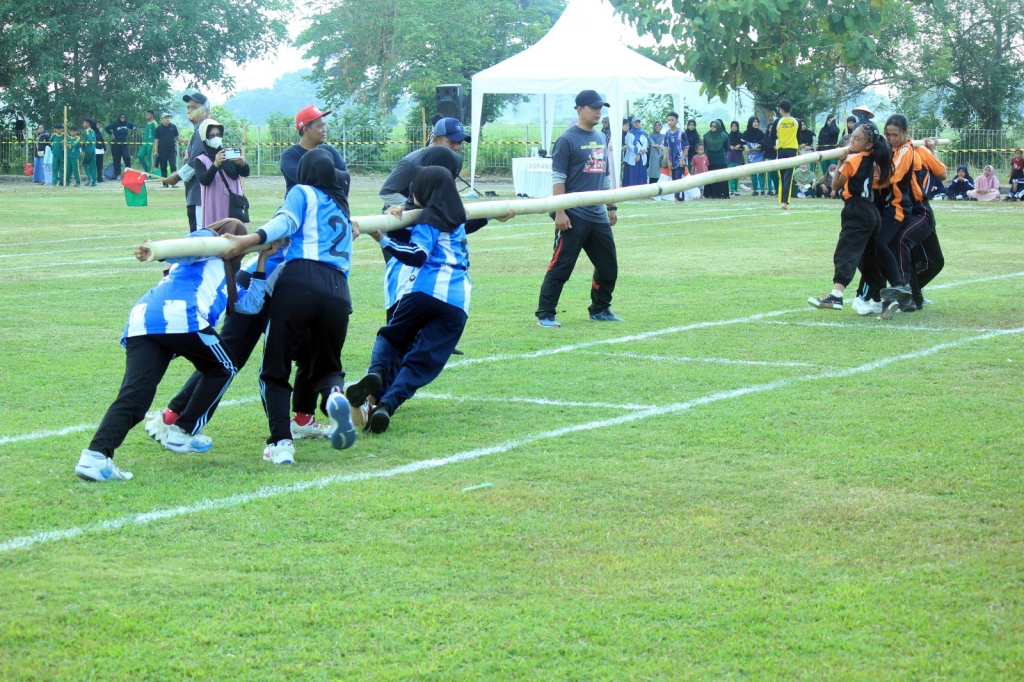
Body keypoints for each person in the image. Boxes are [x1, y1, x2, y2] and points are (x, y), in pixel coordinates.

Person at [73, 219, 270, 482]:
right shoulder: (210, 247)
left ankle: (95, 456)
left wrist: (262, 259)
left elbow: (252, 304)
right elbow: (189, 247)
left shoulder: (228, 274)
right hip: (179, 316)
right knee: (224, 367)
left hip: (144, 321)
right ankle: (182, 431)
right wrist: (157, 250)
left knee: (136, 395)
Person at [218, 148, 360, 464]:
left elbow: (286, 221)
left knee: (275, 367)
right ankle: (334, 396)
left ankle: (281, 443)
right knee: (327, 365)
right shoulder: (341, 205)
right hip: (339, 291)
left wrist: (249, 239)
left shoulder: (302, 192)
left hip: (300, 281)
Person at [353, 168, 474, 433]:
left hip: (425, 291)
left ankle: (376, 372)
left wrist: (381, 238)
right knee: (421, 362)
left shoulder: (430, 216)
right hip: (458, 301)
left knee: (391, 337)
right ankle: (386, 406)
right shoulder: (458, 214)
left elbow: (417, 254)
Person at [535, 90, 619, 328]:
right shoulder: (567, 139)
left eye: (600, 107)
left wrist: (611, 205)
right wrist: (560, 211)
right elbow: (558, 177)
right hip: (573, 215)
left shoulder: (601, 137)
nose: (598, 112)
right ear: (580, 109)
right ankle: (545, 315)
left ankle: (600, 310)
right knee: (562, 266)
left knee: (608, 266)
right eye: (594, 107)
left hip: (597, 214)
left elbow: (605, 175)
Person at [808, 123, 892, 311]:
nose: (852, 141)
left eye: (857, 139)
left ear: (868, 145)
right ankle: (885, 299)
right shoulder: (870, 157)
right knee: (867, 260)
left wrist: (841, 161)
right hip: (871, 210)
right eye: (852, 137)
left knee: (845, 251)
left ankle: (836, 295)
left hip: (857, 210)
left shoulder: (853, 159)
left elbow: (835, 185)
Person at [876, 114, 917, 313]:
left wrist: (867, 179)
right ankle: (901, 296)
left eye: (895, 135)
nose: (891, 139)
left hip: (898, 207)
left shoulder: (905, 150)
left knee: (879, 242)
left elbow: (892, 176)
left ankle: (899, 287)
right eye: (888, 135)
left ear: (906, 133)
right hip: (888, 207)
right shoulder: (891, 148)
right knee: (888, 249)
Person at [379, 117, 467, 209]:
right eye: (451, 142)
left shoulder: (452, 160)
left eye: (459, 143)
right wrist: (413, 207)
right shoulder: (411, 162)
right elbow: (386, 192)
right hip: (399, 213)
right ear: (435, 140)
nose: (457, 147)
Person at [163, 92, 211, 232]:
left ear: (206, 109)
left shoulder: (204, 130)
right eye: (188, 107)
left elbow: (196, 161)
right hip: (195, 192)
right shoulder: (199, 130)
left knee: (200, 236)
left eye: (194, 107)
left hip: (200, 194)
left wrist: (177, 176)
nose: (190, 110)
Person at [195, 120, 251, 227]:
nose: (215, 138)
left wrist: (243, 164)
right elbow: (204, 180)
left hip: (233, 201)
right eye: (211, 135)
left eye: (218, 134)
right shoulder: (201, 159)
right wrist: (215, 164)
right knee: (217, 231)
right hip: (215, 203)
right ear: (204, 137)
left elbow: (245, 173)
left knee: (235, 230)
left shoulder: (229, 154)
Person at [281, 105, 348, 194]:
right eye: (320, 126)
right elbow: (305, 181)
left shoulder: (330, 151)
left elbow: (344, 178)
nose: (324, 130)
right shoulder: (290, 155)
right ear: (306, 130)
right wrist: (331, 177)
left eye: (324, 126)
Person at [768, 99, 800, 209]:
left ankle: (782, 200)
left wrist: (780, 136)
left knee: (781, 176)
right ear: (790, 109)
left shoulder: (778, 122)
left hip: (781, 150)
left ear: (781, 110)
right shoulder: (797, 121)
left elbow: (771, 137)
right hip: (792, 150)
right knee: (788, 176)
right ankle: (785, 202)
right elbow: (798, 137)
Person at [701, 119, 729, 199]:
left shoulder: (724, 136)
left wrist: (720, 153)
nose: (712, 128)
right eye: (711, 126)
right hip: (710, 158)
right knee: (710, 176)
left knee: (721, 176)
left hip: (721, 159)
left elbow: (727, 147)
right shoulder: (706, 136)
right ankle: (710, 194)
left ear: (718, 127)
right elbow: (704, 146)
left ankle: (722, 193)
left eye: (714, 126)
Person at [664, 112, 688, 201]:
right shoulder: (667, 133)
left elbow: (686, 147)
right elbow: (666, 148)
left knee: (678, 178)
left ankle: (676, 198)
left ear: (677, 121)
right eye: (668, 120)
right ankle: (681, 199)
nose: (670, 122)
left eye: (672, 120)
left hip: (680, 160)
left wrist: (682, 159)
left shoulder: (681, 133)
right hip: (672, 160)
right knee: (674, 180)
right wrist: (668, 160)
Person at [104, 113, 135, 179]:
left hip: (124, 144)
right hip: (116, 144)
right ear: (119, 118)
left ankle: (128, 172)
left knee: (126, 157)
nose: (123, 118)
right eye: (121, 117)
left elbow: (133, 125)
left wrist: (134, 127)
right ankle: (117, 174)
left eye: (124, 117)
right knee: (116, 160)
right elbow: (106, 128)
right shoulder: (115, 124)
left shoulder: (127, 124)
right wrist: (111, 133)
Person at [623, 116, 649, 187]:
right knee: (631, 176)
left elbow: (645, 145)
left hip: (641, 158)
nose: (637, 124)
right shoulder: (628, 134)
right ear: (632, 123)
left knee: (640, 176)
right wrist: (639, 150)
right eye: (635, 122)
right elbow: (629, 145)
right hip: (631, 158)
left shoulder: (643, 134)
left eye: (638, 122)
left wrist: (639, 154)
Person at [743, 117, 765, 196]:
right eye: (754, 122)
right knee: (753, 172)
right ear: (750, 123)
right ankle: (755, 190)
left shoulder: (760, 133)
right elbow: (742, 141)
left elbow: (764, 142)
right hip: (751, 156)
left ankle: (762, 190)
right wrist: (745, 146)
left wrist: (758, 145)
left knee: (761, 172)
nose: (756, 123)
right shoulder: (746, 133)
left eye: (757, 122)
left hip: (760, 155)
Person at [153, 114, 181, 178]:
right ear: (161, 119)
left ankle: (174, 181)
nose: (167, 119)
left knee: (173, 165)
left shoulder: (173, 127)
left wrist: (184, 140)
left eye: (168, 118)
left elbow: (177, 137)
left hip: (171, 150)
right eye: (165, 118)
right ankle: (165, 182)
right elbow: (156, 140)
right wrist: (156, 151)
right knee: (163, 167)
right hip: (162, 151)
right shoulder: (158, 128)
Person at [726, 121, 745, 195]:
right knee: (730, 173)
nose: (734, 128)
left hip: (738, 155)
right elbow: (725, 144)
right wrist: (730, 146)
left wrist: (739, 145)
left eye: (735, 126)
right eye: (732, 126)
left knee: (737, 173)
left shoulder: (741, 135)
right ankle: (731, 189)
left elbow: (744, 143)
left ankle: (736, 190)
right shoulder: (728, 136)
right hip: (730, 155)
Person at [646, 120, 666, 185]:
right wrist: (656, 145)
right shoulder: (651, 136)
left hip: (663, 156)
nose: (657, 127)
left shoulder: (664, 136)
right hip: (654, 156)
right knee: (654, 174)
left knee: (662, 174)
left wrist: (660, 146)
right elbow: (651, 144)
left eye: (659, 125)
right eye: (656, 125)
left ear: (661, 126)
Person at [89, 118, 106, 183]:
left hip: (100, 150)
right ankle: (93, 178)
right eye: (97, 124)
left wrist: (104, 147)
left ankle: (100, 178)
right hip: (95, 150)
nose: (98, 125)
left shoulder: (99, 132)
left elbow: (102, 140)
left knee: (100, 165)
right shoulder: (92, 132)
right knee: (94, 165)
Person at [81, 120, 97, 186]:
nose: (83, 124)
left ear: (87, 123)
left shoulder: (87, 131)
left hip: (88, 150)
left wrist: (83, 143)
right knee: (93, 166)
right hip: (93, 149)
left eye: (84, 123)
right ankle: (94, 181)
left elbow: (89, 140)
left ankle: (89, 178)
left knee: (85, 164)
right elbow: (94, 140)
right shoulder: (93, 131)